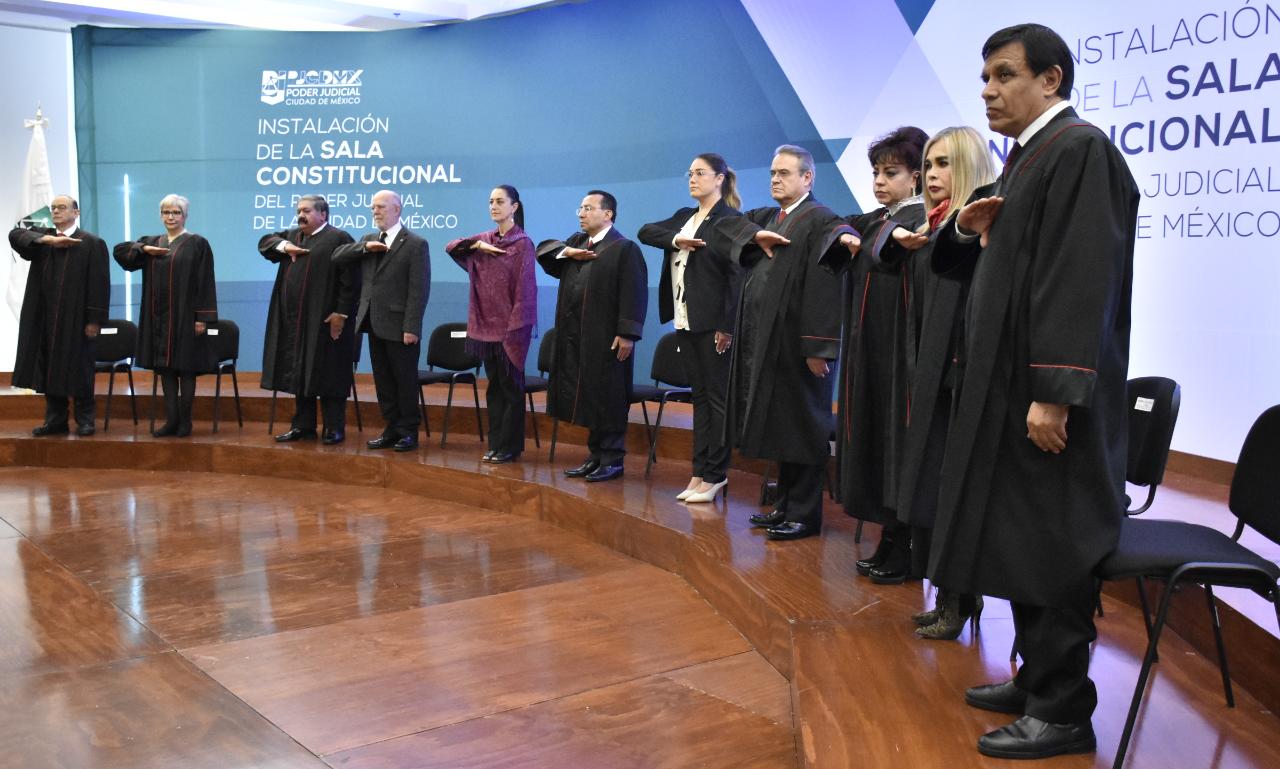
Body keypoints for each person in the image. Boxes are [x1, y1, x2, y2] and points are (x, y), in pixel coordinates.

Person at [928, 24, 1138, 759]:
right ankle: (1035, 678)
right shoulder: (1024, 160)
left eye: (1004, 75)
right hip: (1008, 389)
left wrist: (1056, 391)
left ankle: (1063, 709)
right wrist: (966, 225)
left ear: (1050, 80)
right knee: (1019, 538)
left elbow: (1080, 279)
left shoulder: (1080, 151)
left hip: (1045, 398)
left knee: (1050, 544)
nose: (987, 90)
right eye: (984, 77)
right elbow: (958, 261)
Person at [867, 126, 996, 638]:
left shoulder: (978, 228)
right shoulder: (932, 226)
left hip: (957, 383)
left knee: (951, 496)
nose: (933, 174)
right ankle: (949, 596)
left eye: (944, 164)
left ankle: (961, 599)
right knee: (931, 494)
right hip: (929, 379)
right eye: (929, 165)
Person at [706, 145, 859, 540]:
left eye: (784, 173)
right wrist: (754, 235)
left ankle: (805, 515)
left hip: (800, 347)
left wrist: (818, 348)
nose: (775, 179)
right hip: (769, 343)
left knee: (803, 428)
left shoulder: (821, 219)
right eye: (773, 173)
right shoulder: (770, 217)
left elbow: (826, 285)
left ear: (807, 178)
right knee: (784, 428)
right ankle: (785, 505)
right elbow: (722, 227)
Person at [828, 127, 928, 581]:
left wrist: (871, 234)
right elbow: (839, 224)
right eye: (875, 173)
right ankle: (890, 535)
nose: (879, 182)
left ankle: (905, 544)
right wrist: (851, 234)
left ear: (916, 177)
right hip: (871, 353)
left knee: (896, 447)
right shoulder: (881, 220)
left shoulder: (921, 221)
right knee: (877, 445)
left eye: (891, 173)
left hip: (898, 357)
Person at [638, 153, 742, 503]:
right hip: (685, 319)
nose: (693, 179)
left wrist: (727, 326)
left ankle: (715, 475)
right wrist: (677, 241)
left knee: (716, 400)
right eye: (690, 174)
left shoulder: (729, 220)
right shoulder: (685, 217)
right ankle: (698, 472)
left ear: (720, 178)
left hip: (714, 326)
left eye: (700, 173)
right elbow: (646, 231)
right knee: (699, 398)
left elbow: (736, 277)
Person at [536, 190, 647, 483]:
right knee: (590, 398)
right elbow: (543, 250)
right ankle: (595, 456)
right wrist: (568, 253)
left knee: (608, 398)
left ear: (607, 214)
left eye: (588, 208)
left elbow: (634, 293)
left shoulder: (624, 248)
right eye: (580, 208)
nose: (581, 214)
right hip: (578, 337)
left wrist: (627, 334)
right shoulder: (576, 243)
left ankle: (612, 459)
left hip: (608, 338)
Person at [332, 190, 430, 452]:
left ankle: (408, 431)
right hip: (372, 322)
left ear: (397, 209)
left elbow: (419, 291)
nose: (375, 211)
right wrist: (365, 247)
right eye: (373, 207)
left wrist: (412, 327)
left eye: (380, 207)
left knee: (404, 381)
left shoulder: (415, 244)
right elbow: (337, 256)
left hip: (400, 326)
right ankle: (391, 428)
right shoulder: (369, 240)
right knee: (384, 381)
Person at [445, 185, 537, 464]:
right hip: (485, 329)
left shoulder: (523, 243)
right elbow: (451, 247)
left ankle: (510, 446)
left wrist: (515, 329)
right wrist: (476, 246)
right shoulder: (484, 240)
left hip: (510, 330)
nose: (494, 207)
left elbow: (525, 290)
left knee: (511, 390)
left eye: (499, 202)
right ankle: (496, 443)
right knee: (494, 388)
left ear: (514, 207)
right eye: (490, 202)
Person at [113, 194, 218, 437]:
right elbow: (120, 252)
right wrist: (143, 249)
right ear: (161, 215)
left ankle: (185, 422)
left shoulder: (197, 243)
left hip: (186, 316)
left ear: (185, 215)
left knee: (186, 368)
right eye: (166, 212)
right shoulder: (152, 242)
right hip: (157, 317)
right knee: (166, 369)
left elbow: (205, 281)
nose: (171, 217)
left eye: (176, 212)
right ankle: (171, 420)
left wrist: (202, 318)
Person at [259, 195, 359, 445]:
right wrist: (284, 247)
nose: (300, 216)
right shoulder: (292, 236)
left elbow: (351, 280)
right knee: (300, 371)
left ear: (323, 214)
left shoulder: (339, 238)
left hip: (326, 319)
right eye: (298, 211)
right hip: (295, 320)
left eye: (306, 211)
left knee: (330, 372)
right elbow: (265, 242)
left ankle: (333, 427)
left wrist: (341, 313)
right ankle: (303, 425)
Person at [8, 195, 110, 437]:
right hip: (45, 316)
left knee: (80, 368)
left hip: (77, 318)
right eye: (53, 208)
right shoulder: (43, 241)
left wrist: (94, 320)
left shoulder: (91, 243)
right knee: (49, 368)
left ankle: (85, 420)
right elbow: (15, 235)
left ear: (76, 212)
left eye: (62, 207)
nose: (55, 211)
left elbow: (99, 284)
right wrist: (48, 239)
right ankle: (56, 420)